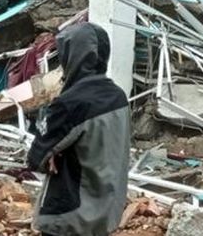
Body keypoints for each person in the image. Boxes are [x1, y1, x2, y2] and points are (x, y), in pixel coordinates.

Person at [27, 23, 130, 236]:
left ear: (72, 56)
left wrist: (54, 152)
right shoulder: (118, 97)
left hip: (69, 218)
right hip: (106, 214)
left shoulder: (69, 104)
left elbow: (36, 158)